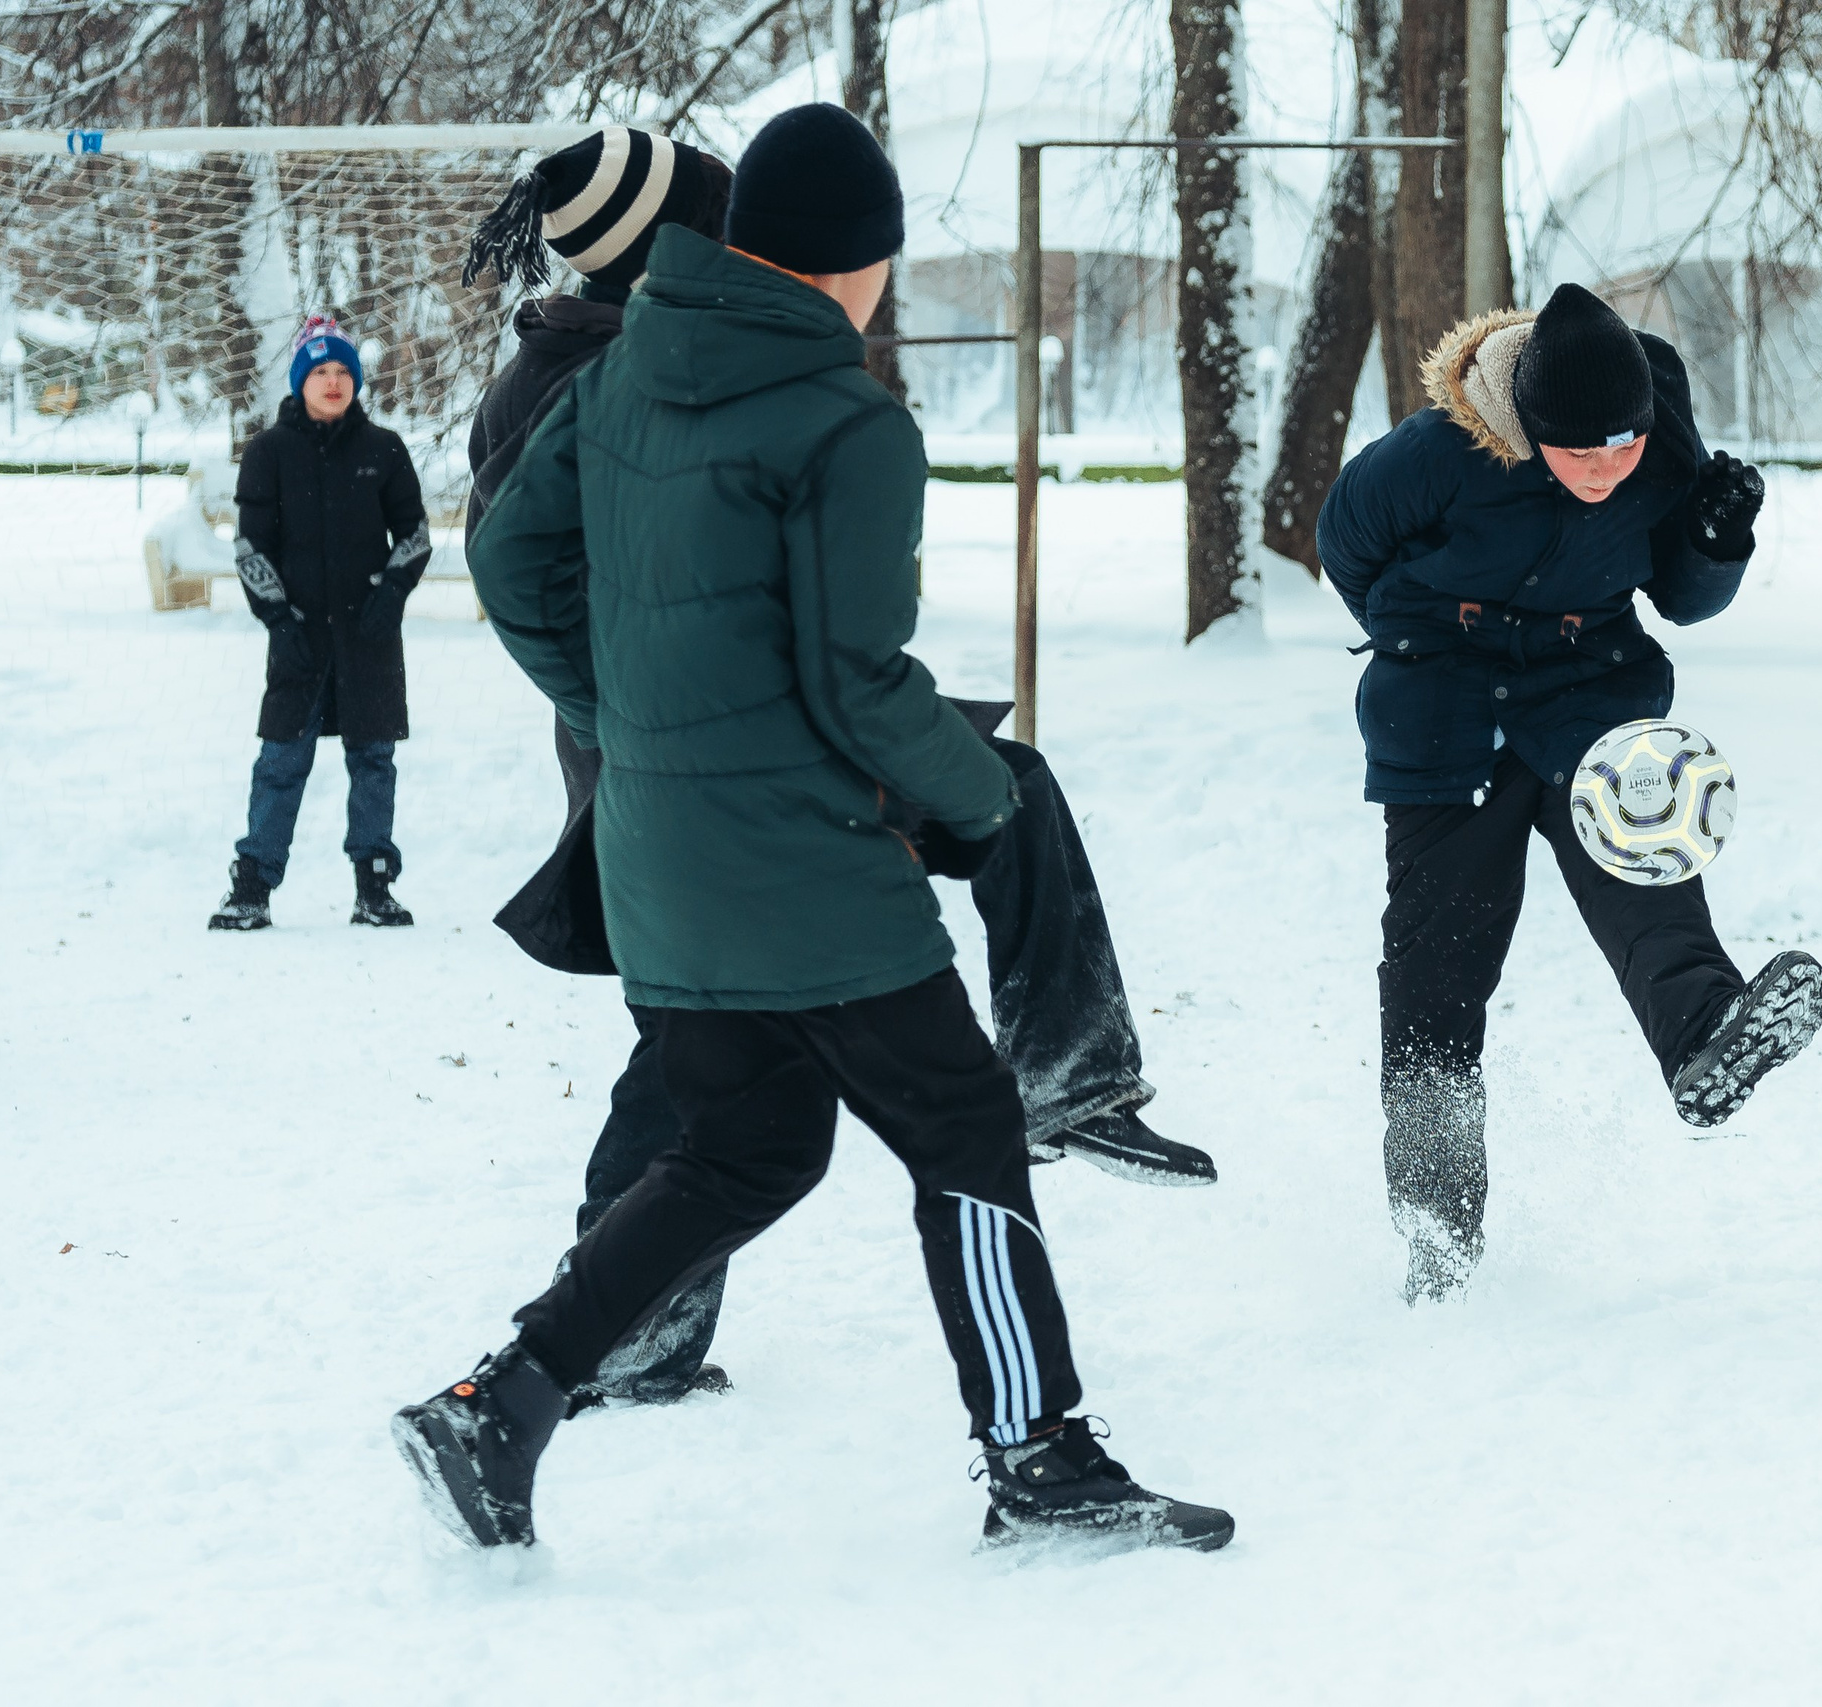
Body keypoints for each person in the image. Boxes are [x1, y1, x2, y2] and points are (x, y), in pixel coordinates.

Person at [394, 105, 1231, 1557]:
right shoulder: (848, 420)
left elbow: (511, 562)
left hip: (660, 860)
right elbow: (858, 682)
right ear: (862, 264)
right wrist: (978, 804)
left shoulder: (617, 371)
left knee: (749, 1147)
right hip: (805, 868)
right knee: (967, 1125)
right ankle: (1038, 1452)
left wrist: (643, 721)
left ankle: (503, 1399)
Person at [1317, 283, 1822, 1302]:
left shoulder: (1660, 449)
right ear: (1529, 429)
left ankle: (1704, 1039)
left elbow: (1681, 599)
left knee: (1646, 872)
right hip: (1444, 708)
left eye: (1625, 447)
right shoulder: (1435, 454)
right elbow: (1348, 545)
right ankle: (1435, 1226)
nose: (1609, 469)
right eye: (1582, 453)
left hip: (1590, 687)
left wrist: (1718, 540)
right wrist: (1424, 635)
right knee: (1437, 969)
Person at [209, 316, 430, 931]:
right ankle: (251, 885)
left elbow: (413, 534)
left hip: (369, 636)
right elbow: (251, 547)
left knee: (374, 758)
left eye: (343, 372)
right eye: (320, 372)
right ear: (300, 380)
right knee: (280, 759)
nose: (333, 383)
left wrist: (391, 595)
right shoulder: (268, 453)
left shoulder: (383, 449)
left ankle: (375, 886)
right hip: (300, 635)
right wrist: (279, 619)